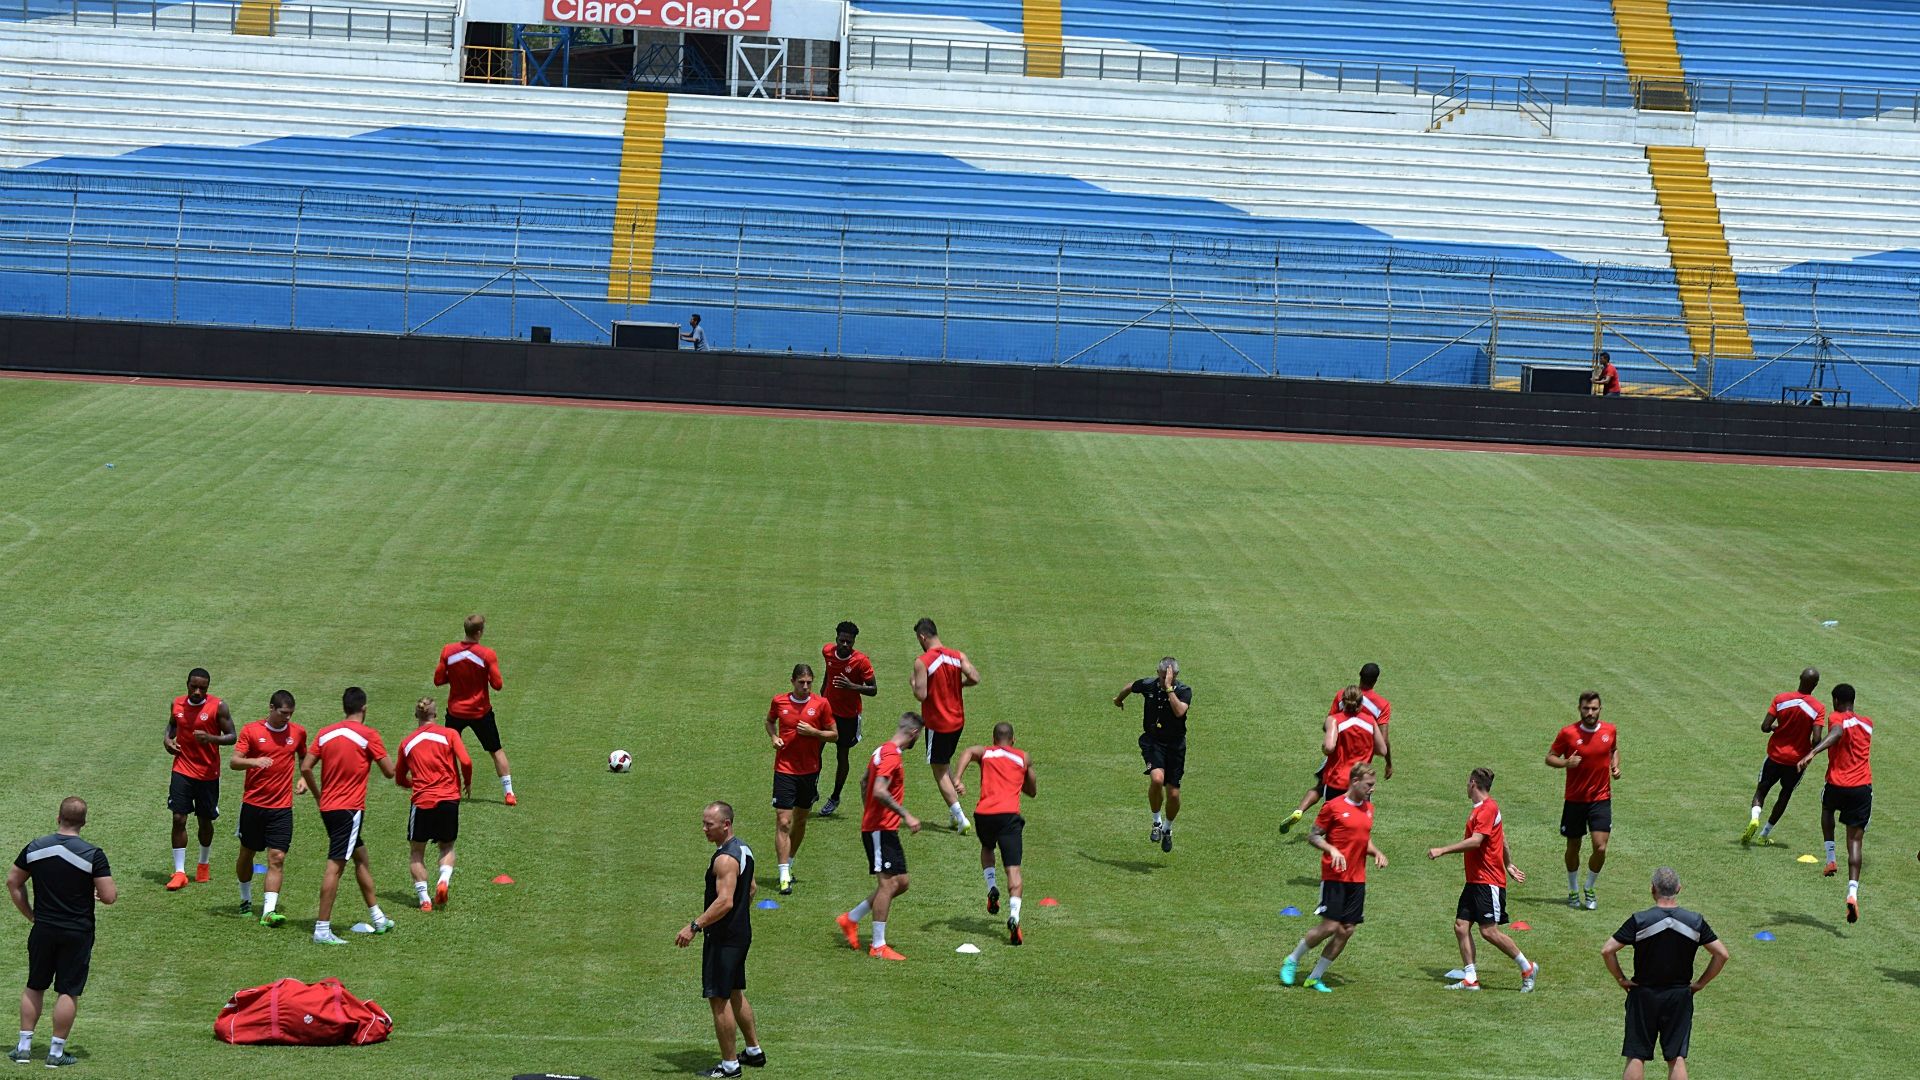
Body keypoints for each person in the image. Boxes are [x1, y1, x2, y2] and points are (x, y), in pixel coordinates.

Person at [7, 798, 114, 1070]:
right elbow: (109, 896)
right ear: (84, 822)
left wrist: (31, 915)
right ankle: (55, 1053)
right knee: (68, 990)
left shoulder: (35, 848)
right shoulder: (93, 854)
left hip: (43, 928)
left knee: (35, 985)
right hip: (77, 932)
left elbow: (13, 882)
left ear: (58, 818)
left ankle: (23, 1048)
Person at [1600, 868, 1729, 1080]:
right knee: (1676, 1057)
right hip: (1679, 996)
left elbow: (1607, 950)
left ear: (1653, 889)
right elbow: (1722, 955)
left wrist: (1621, 979)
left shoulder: (1640, 920)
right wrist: (1700, 984)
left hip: (1643, 995)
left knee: (1636, 1055)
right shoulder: (1695, 921)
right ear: (1679, 889)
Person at [298, 687, 396, 946]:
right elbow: (389, 772)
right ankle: (322, 929)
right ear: (364, 708)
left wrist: (318, 796)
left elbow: (306, 767)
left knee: (360, 857)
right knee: (336, 865)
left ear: (344, 707)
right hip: (349, 809)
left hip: (329, 808)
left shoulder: (325, 733)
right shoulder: (368, 735)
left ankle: (378, 918)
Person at [674, 802, 765, 1078]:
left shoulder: (725, 859)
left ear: (726, 825)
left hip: (724, 939)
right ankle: (754, 1051)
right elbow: (751, 888)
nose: (704, 829)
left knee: (719, 998)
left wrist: (694, 926)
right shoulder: (744, 849)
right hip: (740, 934)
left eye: (709, 825)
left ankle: (729, 1065)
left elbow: (725, 902)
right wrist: (739, 916)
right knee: (735, 991)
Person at [1426, 767, 1537, 992]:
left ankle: (1527, 967)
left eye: (1468, 783)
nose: (1466, 787)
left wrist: (1443, 850)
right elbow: (1502, 838)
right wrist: (1509, 863)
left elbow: (1476, 841)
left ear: (1473, 784)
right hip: (1475, 880)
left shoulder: (1487, 809)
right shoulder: (1483, 809)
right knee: (1461, 926)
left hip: (1488, 881)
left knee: (1489, 931)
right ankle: (1470, 978)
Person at [1280, 763, 1386, 994]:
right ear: (1355, 781)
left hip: (1357, 878)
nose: (1372, 789)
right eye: (1369, 784)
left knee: (1347, 929)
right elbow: (1314, 836)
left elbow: (1362, 838)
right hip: (1335, 876)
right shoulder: (1333, 806)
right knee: (1329, 926)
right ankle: (1292, 959)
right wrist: (1332, 849)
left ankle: (1314, 977)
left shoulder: (1369, 808)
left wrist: (1376, 852)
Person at [835, 713, 924, 960]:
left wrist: (869, 811)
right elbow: (879, 790)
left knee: (901, 882)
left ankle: (851, 918)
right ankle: (878, 946)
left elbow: (863, 782)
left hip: (882, 827)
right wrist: (906, 815)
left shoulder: (881, 750)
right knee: (887, 885)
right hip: (880, 828)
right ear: (914, 733)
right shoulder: (892, 756)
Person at [952, 722, 1037, 945]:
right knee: (1013, 870)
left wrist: (958, 778)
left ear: (993, 739)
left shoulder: (986, 753)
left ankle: (991, 887)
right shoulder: (1022, 757)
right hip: (1009, 817)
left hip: (984, 814)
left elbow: (968, 751)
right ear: (1013, 740)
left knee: (987, 847)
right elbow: (1032, 791)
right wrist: (1019, 777)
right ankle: (1014, 916)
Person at [230, 691, 307, 927]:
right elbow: (234, 761)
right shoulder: (252, 731)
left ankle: (268, 912)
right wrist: (254, 761)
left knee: (277, 857)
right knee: (247, 854)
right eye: (283, 713)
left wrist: (304, 777)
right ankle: (245, 898)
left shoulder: (298, 733)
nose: (287, 718)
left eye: (290, 714)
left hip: (281, 808)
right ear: (271, 708)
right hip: (253, 806)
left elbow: (305, 757)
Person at [1281, 665, 1391, 829]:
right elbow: (1383, 744)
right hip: (1360, 771)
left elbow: (1328, 736)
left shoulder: (1341, 696)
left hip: (1337, 770)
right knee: (1358, 817)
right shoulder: (1381, 706)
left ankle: (1300, 811)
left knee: (1321, 790)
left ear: (1360, 675)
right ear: (1376, 680)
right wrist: (1386, 761)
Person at [1799, 682, 1871, 921]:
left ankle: (1830, 858)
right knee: (1855, 841)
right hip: (1861, 788)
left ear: (1837, 701)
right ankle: (1852, 893)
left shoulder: (1836, 717)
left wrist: (1813, 752)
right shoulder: (1868, 723)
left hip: (1837, 784)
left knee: (1827, 808)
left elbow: (1838, 732)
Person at [396, 698, 473, 912]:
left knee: (416, 852)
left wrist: (414, 784)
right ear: (435, 715)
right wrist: (466, 781)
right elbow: (466, 761)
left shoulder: (407, 742)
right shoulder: (450, 734)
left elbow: (399, 778)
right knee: (447, 846)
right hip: (449, 799)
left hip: (422, 802)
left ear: (416, 716)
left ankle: (424, 900)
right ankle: (443, 880)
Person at [766, 664, 836, 895]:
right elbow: (769, 721)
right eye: (801, 682)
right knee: (783, 821)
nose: (805, 687)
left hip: (809, 771)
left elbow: (834, 734)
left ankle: (790, 862)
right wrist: (774, 737)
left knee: (801, 820)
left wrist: (814, 733)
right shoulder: (779, 702)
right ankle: (783, 874)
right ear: (792, 681)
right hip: (784, 770)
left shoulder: (821, 704)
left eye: (809, 683)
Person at [163, 667, 235, 891]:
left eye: (202, 688)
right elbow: (173, 724)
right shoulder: (177, 704)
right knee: (178, 818)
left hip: (207, 773)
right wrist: (167, 740)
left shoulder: (218, 706)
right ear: (187, 684)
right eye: (193, 687)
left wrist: (211, 738)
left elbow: (232, 736)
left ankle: (203, 863)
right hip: (182, 769)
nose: (197, 692)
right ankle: (180, 872)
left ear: (207, 688)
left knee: (205, 821)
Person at [1547, 690, 1618, 910]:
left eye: (1594, 708)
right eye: (1586, 708)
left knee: (1600, 848)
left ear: (1600, 709)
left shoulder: (1609, 730)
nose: (1590, 712)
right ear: (1579, 708)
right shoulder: (1568, 733)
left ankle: (1589, 886)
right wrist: (1566, 763)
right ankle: (1572, 889)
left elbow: (1613, 750)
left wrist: (1615, 766)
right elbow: (1550, 757)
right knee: (1573, 846)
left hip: (1601, 799)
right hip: (1575, 800)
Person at [433, 614, 514, 805]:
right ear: (479, 632)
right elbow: (497, 685)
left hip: (455, 712)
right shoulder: (487, 654)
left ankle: (448, 788)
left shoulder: (448, 651)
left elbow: (438, 680)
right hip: (481, 712)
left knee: (448, 752)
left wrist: (455, 677)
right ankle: (509, 793)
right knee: (496, 750)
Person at [1113, 657, 1191, 852]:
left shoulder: (1183, 691)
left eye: (1169, 677)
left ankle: (1167, 829)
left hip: (1175, 746)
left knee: (1173, 794)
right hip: (1153, 741)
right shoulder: (1149, 685)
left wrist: (1169, 689)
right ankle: (1156, 822)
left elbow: (1179, 712)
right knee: (1157, 779)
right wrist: (1119, 699)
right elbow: (1131, 686)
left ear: (1176, 675)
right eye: (1163, 677)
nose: (1165, 680)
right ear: (1158, 673)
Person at [910, 618, 980, 834]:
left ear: (922, 637)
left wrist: (913, 683)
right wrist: (960, 684)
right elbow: (975, 677)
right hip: (957, 721)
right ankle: (953, 815)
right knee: (944, 762)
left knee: (939, 770)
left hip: (938, 723)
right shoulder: (957, 656)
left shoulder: (923, 661)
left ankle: (960, 817)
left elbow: (921, 694)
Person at [1743, 667, 1825, 846]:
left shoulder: (1781, 699)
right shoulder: (1818, 708)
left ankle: (1755, 818)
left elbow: (1765, 726)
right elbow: (1817, 739)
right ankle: (1764, 834)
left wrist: (1776, 729)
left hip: (1775, 756)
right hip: (1797, 762)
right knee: (1785, 794)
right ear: (1816, 685)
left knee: (1761, 790)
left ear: (1799, 678)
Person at [818, 622, 877, 818]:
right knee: (815, 749)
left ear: (854, 642)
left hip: (848, 717)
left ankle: (835, 797)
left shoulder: (861, 661)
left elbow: (873, 689)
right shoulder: (827, 651)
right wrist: (822, 695)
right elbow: (828, 671)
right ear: (836, 638)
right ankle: (811, 788)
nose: (845, 644)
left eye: (849, 642)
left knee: (842, 755)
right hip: (827, 712)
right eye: (842, 640)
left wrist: (852, 686)